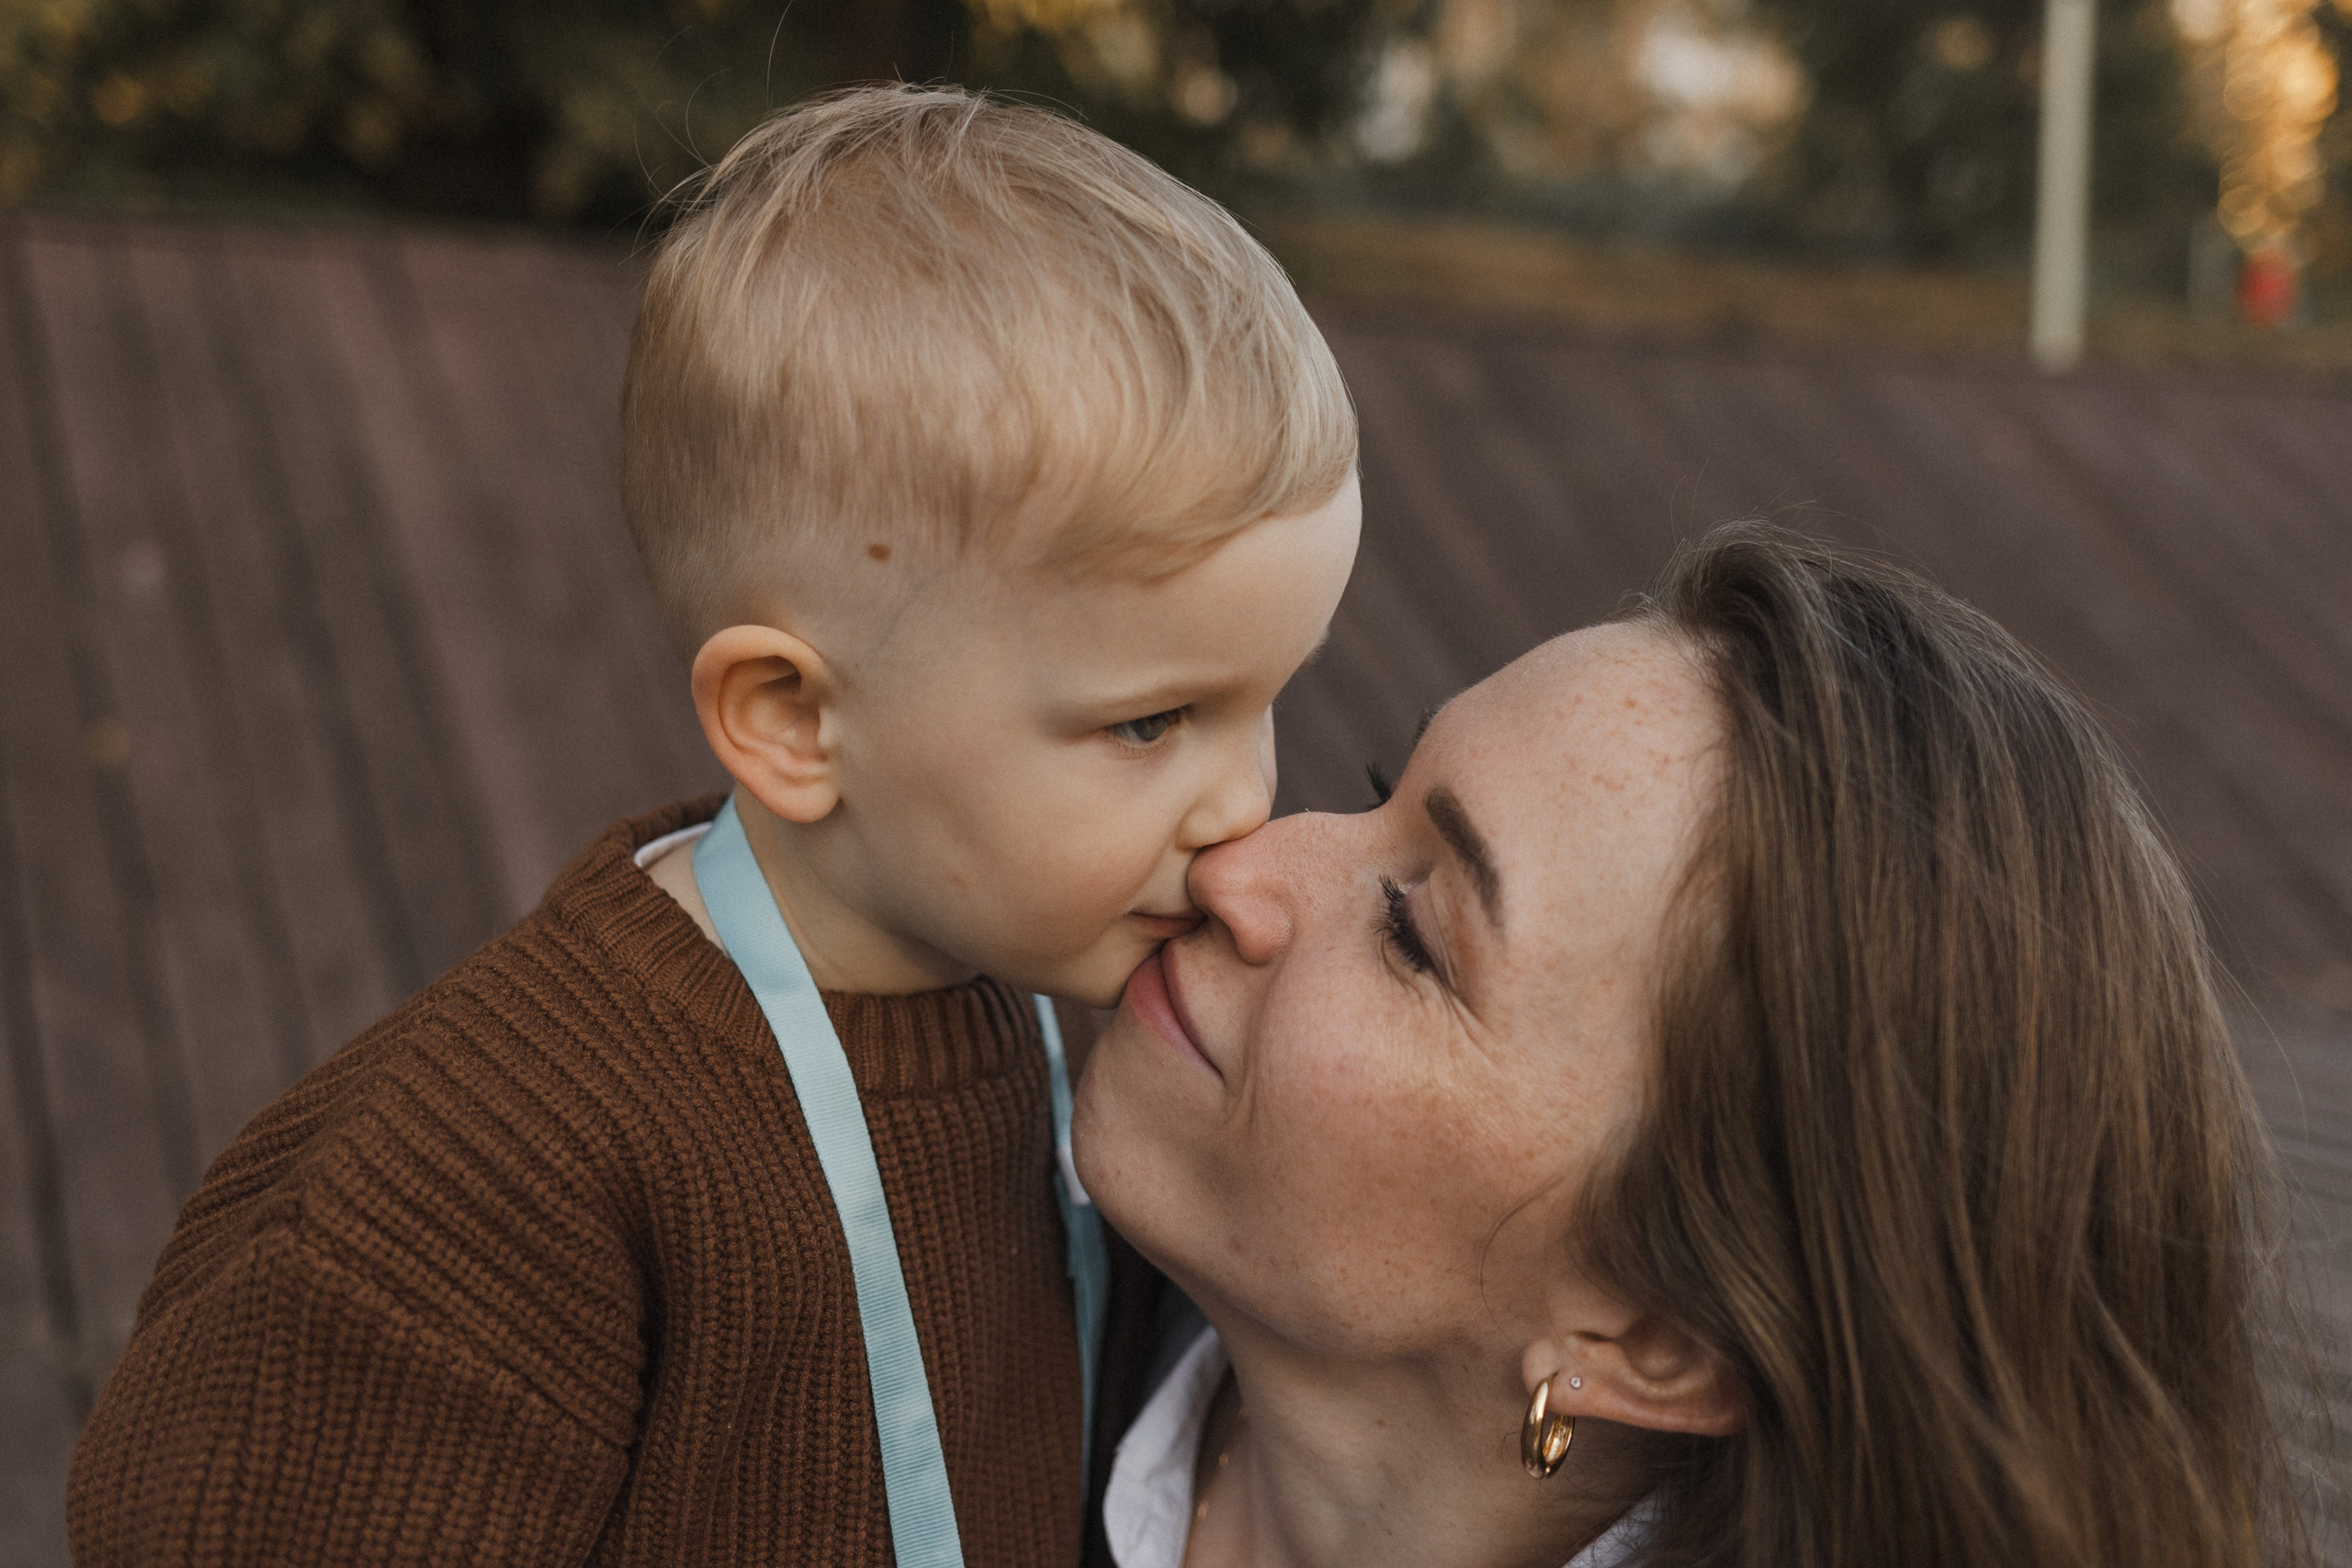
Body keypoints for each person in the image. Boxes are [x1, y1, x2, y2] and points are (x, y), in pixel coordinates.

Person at [67, 85, 1360, 1566]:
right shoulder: (487, 1177)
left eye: (1268, 698)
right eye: (1151, 722)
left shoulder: (1041, 1008)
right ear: (793, 721)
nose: (1248, 803)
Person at [1075, 524, 2320, 1568]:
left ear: (1651, 1337)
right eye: (1375, 788)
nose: (1242, 860)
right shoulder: (958, 1291)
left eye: (1411, 936)